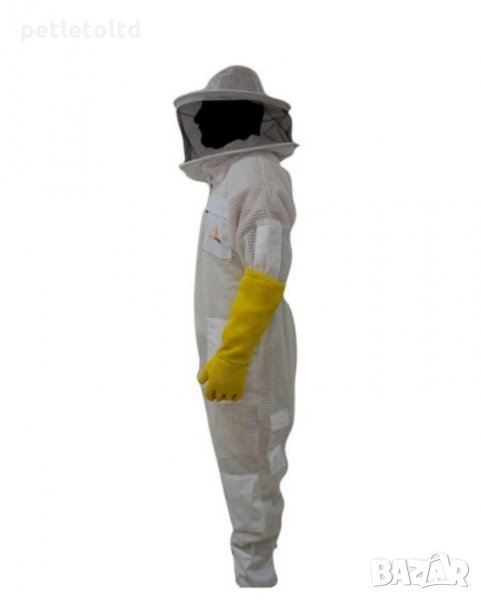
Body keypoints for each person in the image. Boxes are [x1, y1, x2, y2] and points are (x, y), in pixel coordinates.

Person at [173, 65, 298, 587]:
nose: (203, 121)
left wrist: (232, 355)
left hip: (248, 357)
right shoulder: (233, 175)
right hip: (229, 350)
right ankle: (249, 566)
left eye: (212, 110)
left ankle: (256, 573)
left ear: (239, 116)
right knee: (237, 456)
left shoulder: (259, 177)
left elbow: (266, 276)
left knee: (252, 462)